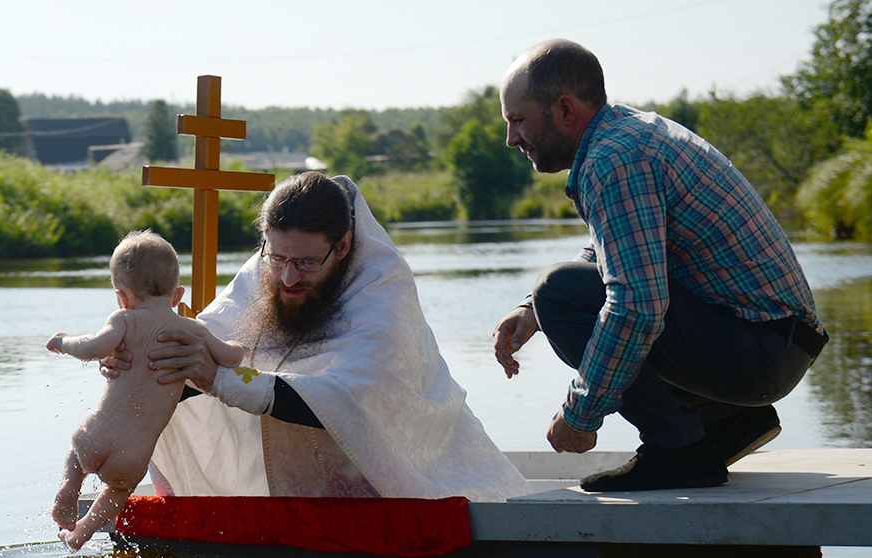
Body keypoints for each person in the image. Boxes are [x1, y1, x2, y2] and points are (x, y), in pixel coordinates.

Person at [490, 39, 828, 492]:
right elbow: (613, 251)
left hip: (762, 353)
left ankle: (679, 450)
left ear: (565, 110)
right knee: (555, 295)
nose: (511, 138)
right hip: (773, 344)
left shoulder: (615, 159)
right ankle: (728, 424)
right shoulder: (623, 136)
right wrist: (530, 309)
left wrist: (580, 415)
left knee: (562, 295)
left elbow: (637, 306)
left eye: (517, 120)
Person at [107, 172, 529, 502]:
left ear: (343, 247)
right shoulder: (269, 268)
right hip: (292, 494)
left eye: (306, 263)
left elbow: (350, 399)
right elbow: (201, 343)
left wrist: (219, 380)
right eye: (277, 258)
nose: (288, 278)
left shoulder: (383, 287)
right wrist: (138, 365)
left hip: (400, 482)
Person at [47, 230, 247, 551]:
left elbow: (93, 347)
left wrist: (63, 342)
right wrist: (242, 347)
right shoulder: (193, 329)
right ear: (178, 294)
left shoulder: (125, 320)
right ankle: (80, 533)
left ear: (122, 296)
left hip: (98, 435)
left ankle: (68, 491)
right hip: (134, 456)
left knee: (75, 454)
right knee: (116, 492)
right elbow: (229, 356)